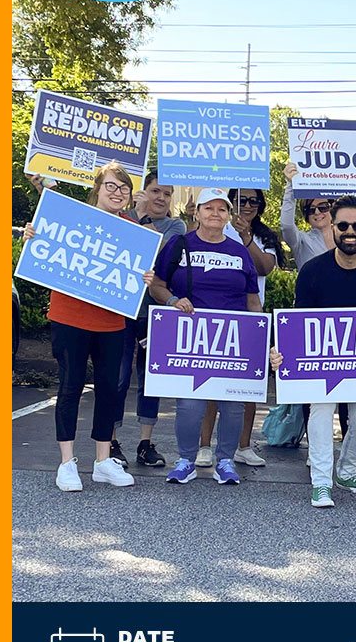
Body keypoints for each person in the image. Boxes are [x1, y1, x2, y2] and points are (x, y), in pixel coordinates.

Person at [23, 162, 153, 492]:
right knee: (71, 385)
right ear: (97, 188)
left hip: (111, 320)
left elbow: (135, 271)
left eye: (123, 188)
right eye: (111, 186)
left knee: (110, 389)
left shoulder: (133, 228)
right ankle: (66, 464)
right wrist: (34, 235)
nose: (117, 192)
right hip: (69, 317)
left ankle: (102, 461)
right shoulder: (73, 217)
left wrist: (145, 278)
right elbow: (45, 244)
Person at [269, 196, 356, 507]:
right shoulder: (313, 272)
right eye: (343, 225)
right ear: (332, 228)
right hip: (322, 363)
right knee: (319, 413)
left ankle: (345, 470)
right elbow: (297, 325)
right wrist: (280, 352)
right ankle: (321, 482)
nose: (350, 231)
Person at [149, 188, 262, 487]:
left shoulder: (239, 252)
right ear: (196, 213)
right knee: (189, 405)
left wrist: (258, 337)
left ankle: (225, 460)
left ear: (228, 216)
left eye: (221, 209)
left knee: (232, 405)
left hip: (232, 341)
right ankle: (186, 459)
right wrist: (173, 301)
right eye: (208, 208)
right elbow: (157, 286)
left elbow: (253, 300)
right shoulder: (179, 245)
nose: (215, 214)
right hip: (190, 339)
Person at [195, 187, 285, 469]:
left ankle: (243, 446)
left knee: (247, 388)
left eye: (253, 201)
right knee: (210, 385)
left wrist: (246, 235)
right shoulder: (217, 226)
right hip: (212, 316)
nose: (246, 205)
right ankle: (204, 446)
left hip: (249, 319)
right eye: (240, 200)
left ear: (260, 206)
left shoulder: (266, 236)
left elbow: (265, 267)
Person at [111, 169, 187, 468]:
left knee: (149, 380)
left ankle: (145, 443)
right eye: (156, 191)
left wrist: (140, 219)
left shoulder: (175, 225)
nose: (162, 198)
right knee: (116, 377)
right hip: (118, 311)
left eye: (167, 194)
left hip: (153, 314)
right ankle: (111, 440)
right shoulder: (120, 214)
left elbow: (157, 252)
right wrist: (135, 214)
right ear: (144, 191)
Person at [280, 161, 336, 270]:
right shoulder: (301, 241)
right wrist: (291, 185)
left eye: (323, 207)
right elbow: (286, 227)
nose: (317, 212)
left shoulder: (344, 236)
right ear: (306, 216)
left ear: (331, 208)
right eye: (310, 209)